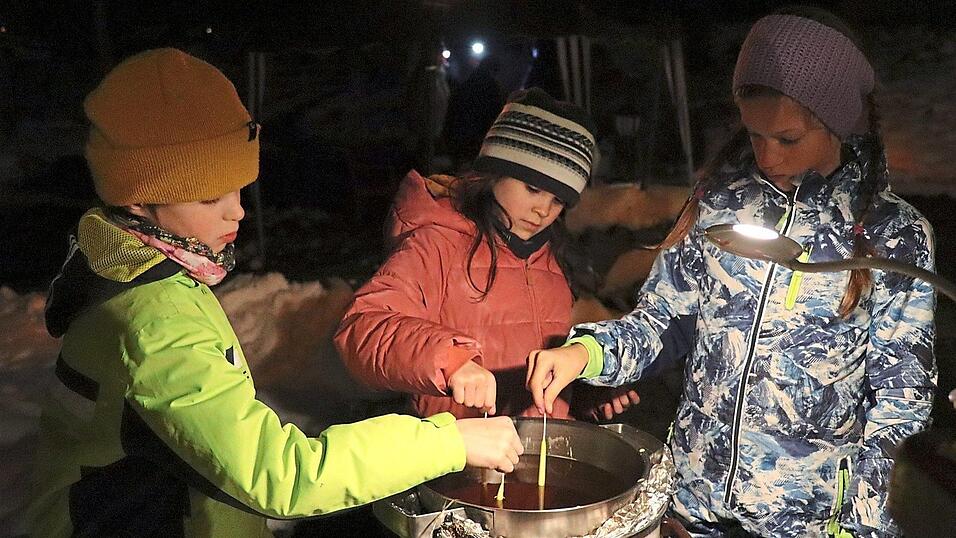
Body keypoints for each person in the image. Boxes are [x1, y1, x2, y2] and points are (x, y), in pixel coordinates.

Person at [27, 48, 523, 538]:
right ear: (137, 198)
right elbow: (280, 475)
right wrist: (447, 442)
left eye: (238, 189)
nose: (237, 212)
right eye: (209, 197)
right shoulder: (153, 321)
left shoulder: (142, 269)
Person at [526, 8, 936, 537]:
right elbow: (661, 321)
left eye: (787, 138)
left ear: (838, 121)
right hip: (693, 506)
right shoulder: (720, 206)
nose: (766, 156)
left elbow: (902, 396)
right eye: (755, 134)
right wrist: (587, 352)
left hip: (810, 520)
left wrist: (856, 514)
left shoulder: (893, 236)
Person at [335, 88, 641, 420]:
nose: (542, 211)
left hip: (538, 455)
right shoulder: (439, 245)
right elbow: (362, 329)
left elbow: (546, 375)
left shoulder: (553, 260)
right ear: (494, 172)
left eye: (558, 201)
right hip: (462, 456)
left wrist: (587, 392)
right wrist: (450, 362)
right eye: (533, 188)